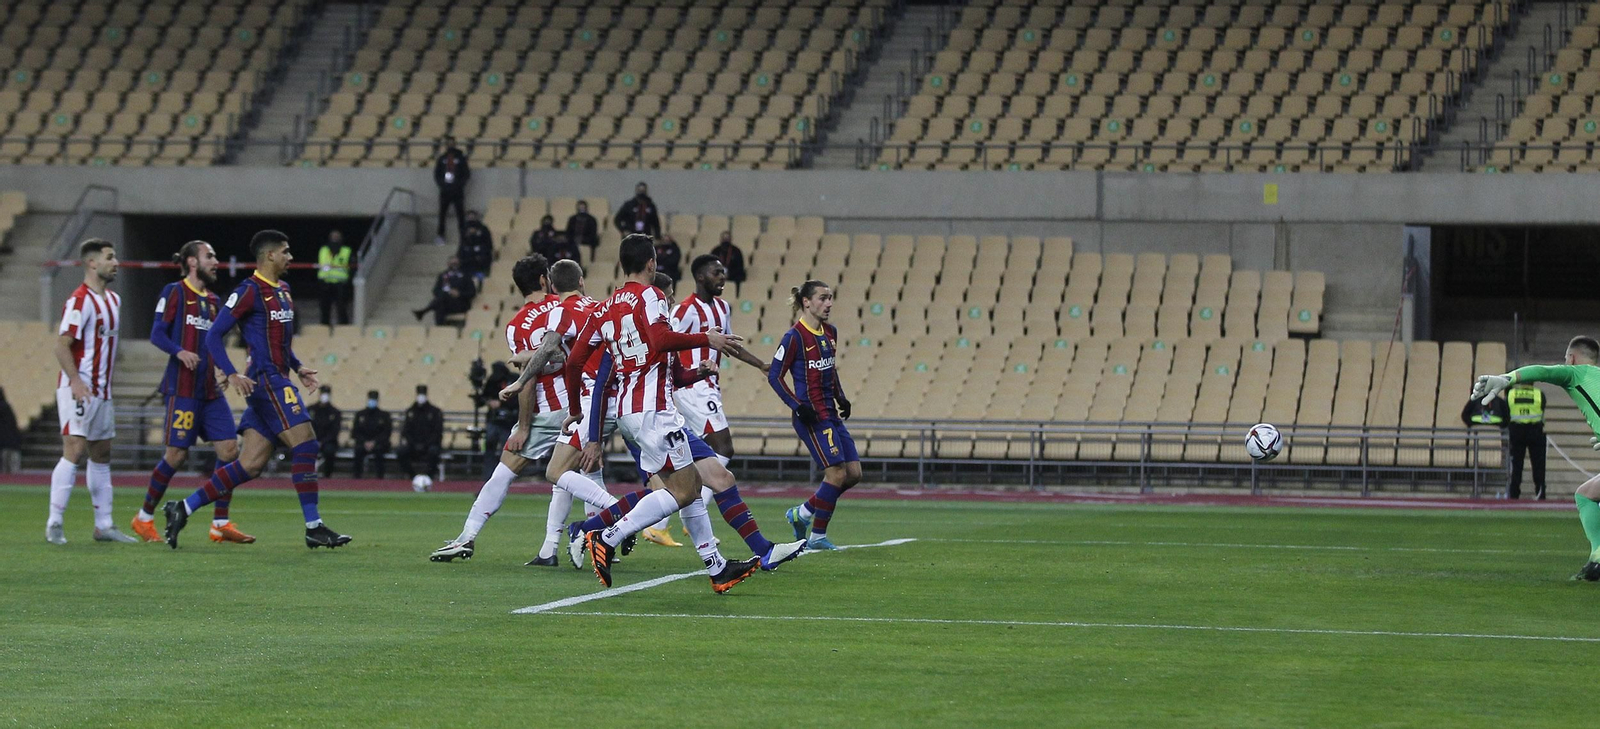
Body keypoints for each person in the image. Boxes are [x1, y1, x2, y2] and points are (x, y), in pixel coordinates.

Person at [560, 234, 804, 588]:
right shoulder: (651, 296)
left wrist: (573, 407)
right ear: (651, 264)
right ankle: (606, 537)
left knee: (697, 483)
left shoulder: (605, 306)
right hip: (653, 410)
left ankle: (717, 568)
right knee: (683, 491)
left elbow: (575, 363)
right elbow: (660, 341)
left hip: (636, 411)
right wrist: (707, 338)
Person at [163, 229, 351, 550]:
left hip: (278, 376)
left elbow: (279, 342)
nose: (291, 257)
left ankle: (182, 507)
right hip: (266, 381)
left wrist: (298, 366)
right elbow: (213, 337)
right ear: (270, 256)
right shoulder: (249, 291)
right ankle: (314, 526)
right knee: (305, 445)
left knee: (249, 465)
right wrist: (233, 373)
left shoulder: (285, 291)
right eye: (286, 252)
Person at [429, 255, 570, 562]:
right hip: (584, 402)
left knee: (503, 474)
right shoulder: (566, 306)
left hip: (550, 408)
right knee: (574, 473)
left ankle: (467, 537)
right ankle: (560, 547)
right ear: (545, 280)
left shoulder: (519, 325)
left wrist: (523, 425)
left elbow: (529, 377)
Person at [130, 240, 253, 545]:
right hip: (182, 390)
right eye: (210, 256)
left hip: (210, 391)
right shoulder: (174, 292)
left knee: (229, 450)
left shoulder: (213, 301)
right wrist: (179, 351)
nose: (216, 261)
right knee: (176, 455)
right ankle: (144, 517)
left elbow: (213, 342)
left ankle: (220, 522)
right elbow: (157, 333)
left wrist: (222, 369)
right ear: (192, 262)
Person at [1474, 336, 1600, 579]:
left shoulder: (1576, 373)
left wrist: (1507, 378)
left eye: (1566, 359)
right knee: (1586, 493)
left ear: (1571, 358)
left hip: (1523, 433)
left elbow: (1542, 371)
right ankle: (1597, 557)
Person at [48, 238, 137, 544]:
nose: (116, 263)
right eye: (110, 257)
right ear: (91, 263)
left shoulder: (114, 300)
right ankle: (55, 522)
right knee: (73, 449)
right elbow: (61, 345)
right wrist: (74, 381)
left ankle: (104, 525)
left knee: (101, 454)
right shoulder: (80, 300)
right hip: (80, 389)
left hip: (103, 391)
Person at [771, 280, 862, 551]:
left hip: (830, 413)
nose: (829, 304)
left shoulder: (830, 332)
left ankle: (802, 513)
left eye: (831, 298)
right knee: (835, 473)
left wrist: (840, 395)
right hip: (811, 417)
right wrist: (797, 405)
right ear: (806, 302)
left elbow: (830, 370)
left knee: (853, 474)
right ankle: (817, 536)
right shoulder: (794, 337)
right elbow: (775, 376)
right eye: (823, 298)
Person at [1506, 382, 1547, 500]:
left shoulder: (1511, 394)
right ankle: (1540, 493)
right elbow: (1542, 409)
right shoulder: (1539, 394)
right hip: (1535, 432)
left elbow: (1507, 411)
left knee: (1516, 465)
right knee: (1538, 465)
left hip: (1516, 432)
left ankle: (1514, 494)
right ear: (1533, 382)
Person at [397, 385, 444, 481]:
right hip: (413, 445)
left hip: (429, 445)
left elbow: (437, 432)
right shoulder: (410, 412)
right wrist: (414, 444)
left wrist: (426, 444)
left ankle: (428, 476)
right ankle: (413, 476)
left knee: (434, 452)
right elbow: (406, 431)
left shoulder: (434, 412)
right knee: (401, 451)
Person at [412, 255, 475, 325]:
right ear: (448, 264)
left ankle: (423, 311)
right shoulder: (443, 275)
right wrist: (445, 294)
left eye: (456, 263)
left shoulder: (465, 276)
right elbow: (435, 291)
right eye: (452, 264)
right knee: (440, 304)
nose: (454, 265)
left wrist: (459, 293)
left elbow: (472, 292)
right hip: (445, 303)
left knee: (440, 300)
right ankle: (440, 329)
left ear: (459, 264)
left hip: (460, 303)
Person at [480, 362, 517, 479]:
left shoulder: (514, 379)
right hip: (494, 421)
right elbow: (483, 397)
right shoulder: (492, 381)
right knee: (490, 449)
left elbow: (517, 400)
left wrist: (501, 403)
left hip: (509, 422)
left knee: (506, 452)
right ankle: (488, 477)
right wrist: (489, 402)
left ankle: (504, 476)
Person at [433, 136, 470, 244]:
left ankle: (463, 237)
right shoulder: (442, 158)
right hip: (445, 191)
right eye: (448, 143)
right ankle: (440, 236)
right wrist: (443, 185)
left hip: (457, 191)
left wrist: (459, 185)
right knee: (442, 214)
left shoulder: (461, 158)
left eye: (452, 143)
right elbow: (437, 174)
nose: (450, 145)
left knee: (461, 215)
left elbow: (466, 174)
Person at [351, 390, 392, 479]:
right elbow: (355, 432)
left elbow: (386, 433)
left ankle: (380, 477)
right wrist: (364, 442)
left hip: (379, 444)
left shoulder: (384, 415)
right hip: (363, 443)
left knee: (379, 451)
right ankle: (356, 477)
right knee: (358, 450)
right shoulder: (360, 415)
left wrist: (374, 442)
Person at [316, 229, 353, 326]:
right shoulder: (324, 250)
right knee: (324, 306)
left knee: (341, 307)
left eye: (337, 237)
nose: (335, 239)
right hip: (325, 282)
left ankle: (343, 326)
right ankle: (324, 326)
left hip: (340, 282)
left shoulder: (346, 251)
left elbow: (351, 267)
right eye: (333, 237)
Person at [308, 384, 342, 478]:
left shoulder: (335, 412)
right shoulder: (311, 410)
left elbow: (335, 431)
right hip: (312, 440)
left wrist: (322, 442)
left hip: (327, 442)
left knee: (329, 451)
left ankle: (327, 475)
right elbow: (307, 427)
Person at [458, 210, 494, 288]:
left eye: (473, 218)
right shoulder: (464, 230)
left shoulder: (483, 229)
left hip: (481, 262)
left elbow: (489, 245)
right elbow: (462, 245)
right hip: (467, 263)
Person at [710, 230, 748, 296]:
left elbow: (739, 267)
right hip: (717, 275)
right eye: (724, 239)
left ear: (731, 239)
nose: (725, 241)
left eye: (727, 239)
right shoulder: (715, 251)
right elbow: (710, 265)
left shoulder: (736, 251)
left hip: (733, 276)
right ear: (720, 239)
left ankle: (737, 295)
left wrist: (729, 274)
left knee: (740, 277)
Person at [0, 386, 20, 472]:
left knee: (6, 471)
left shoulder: (3, 408)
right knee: (12, 470)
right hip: (13, 444)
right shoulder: (7, 407)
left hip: (5, 445)